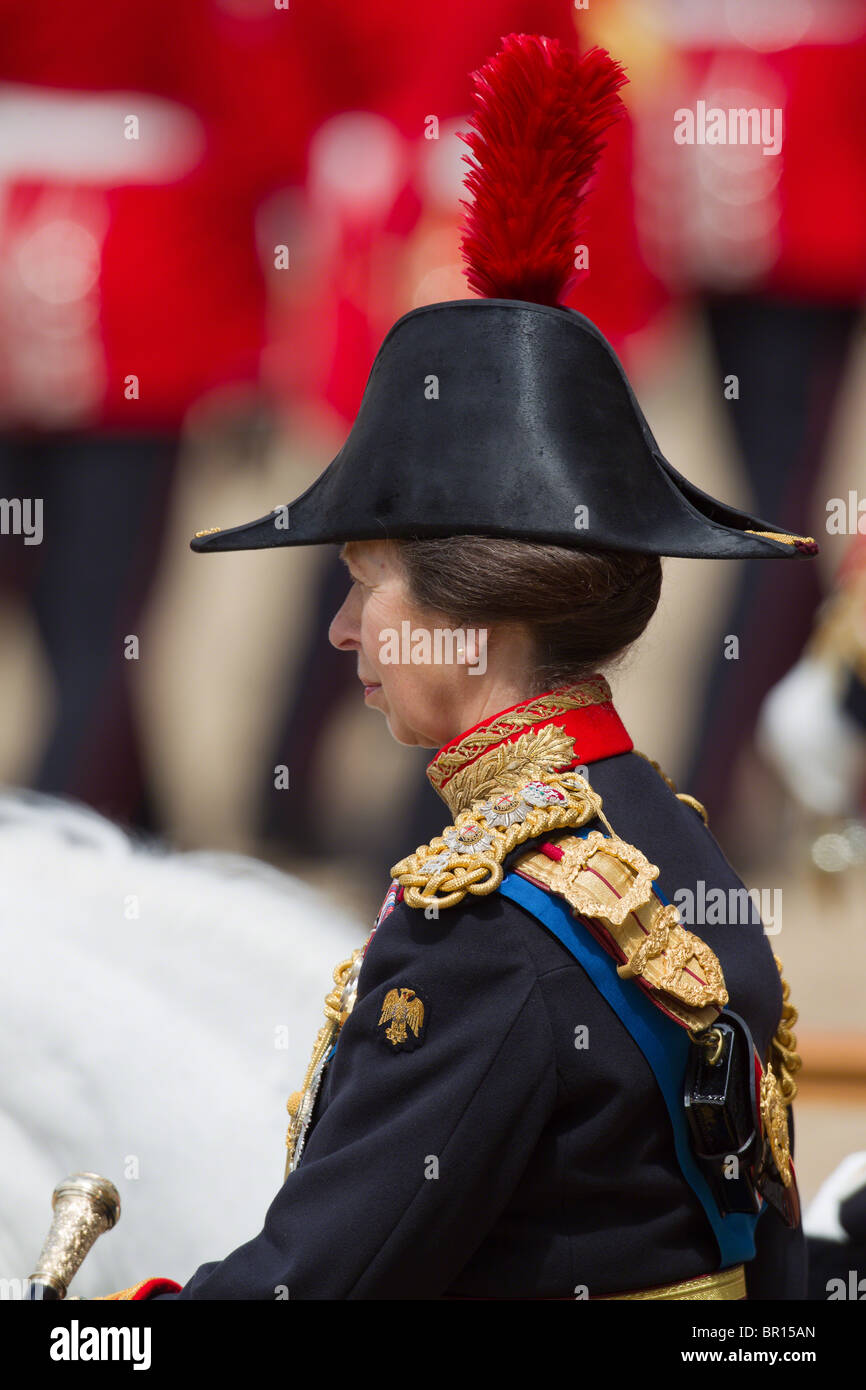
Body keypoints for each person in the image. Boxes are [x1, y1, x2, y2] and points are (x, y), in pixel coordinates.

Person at [98, 34, 812, 1302]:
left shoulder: (483, 932)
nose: (341, 630)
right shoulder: (665, 838)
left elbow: (311, 1287)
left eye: (365, 582)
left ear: (467, 621)